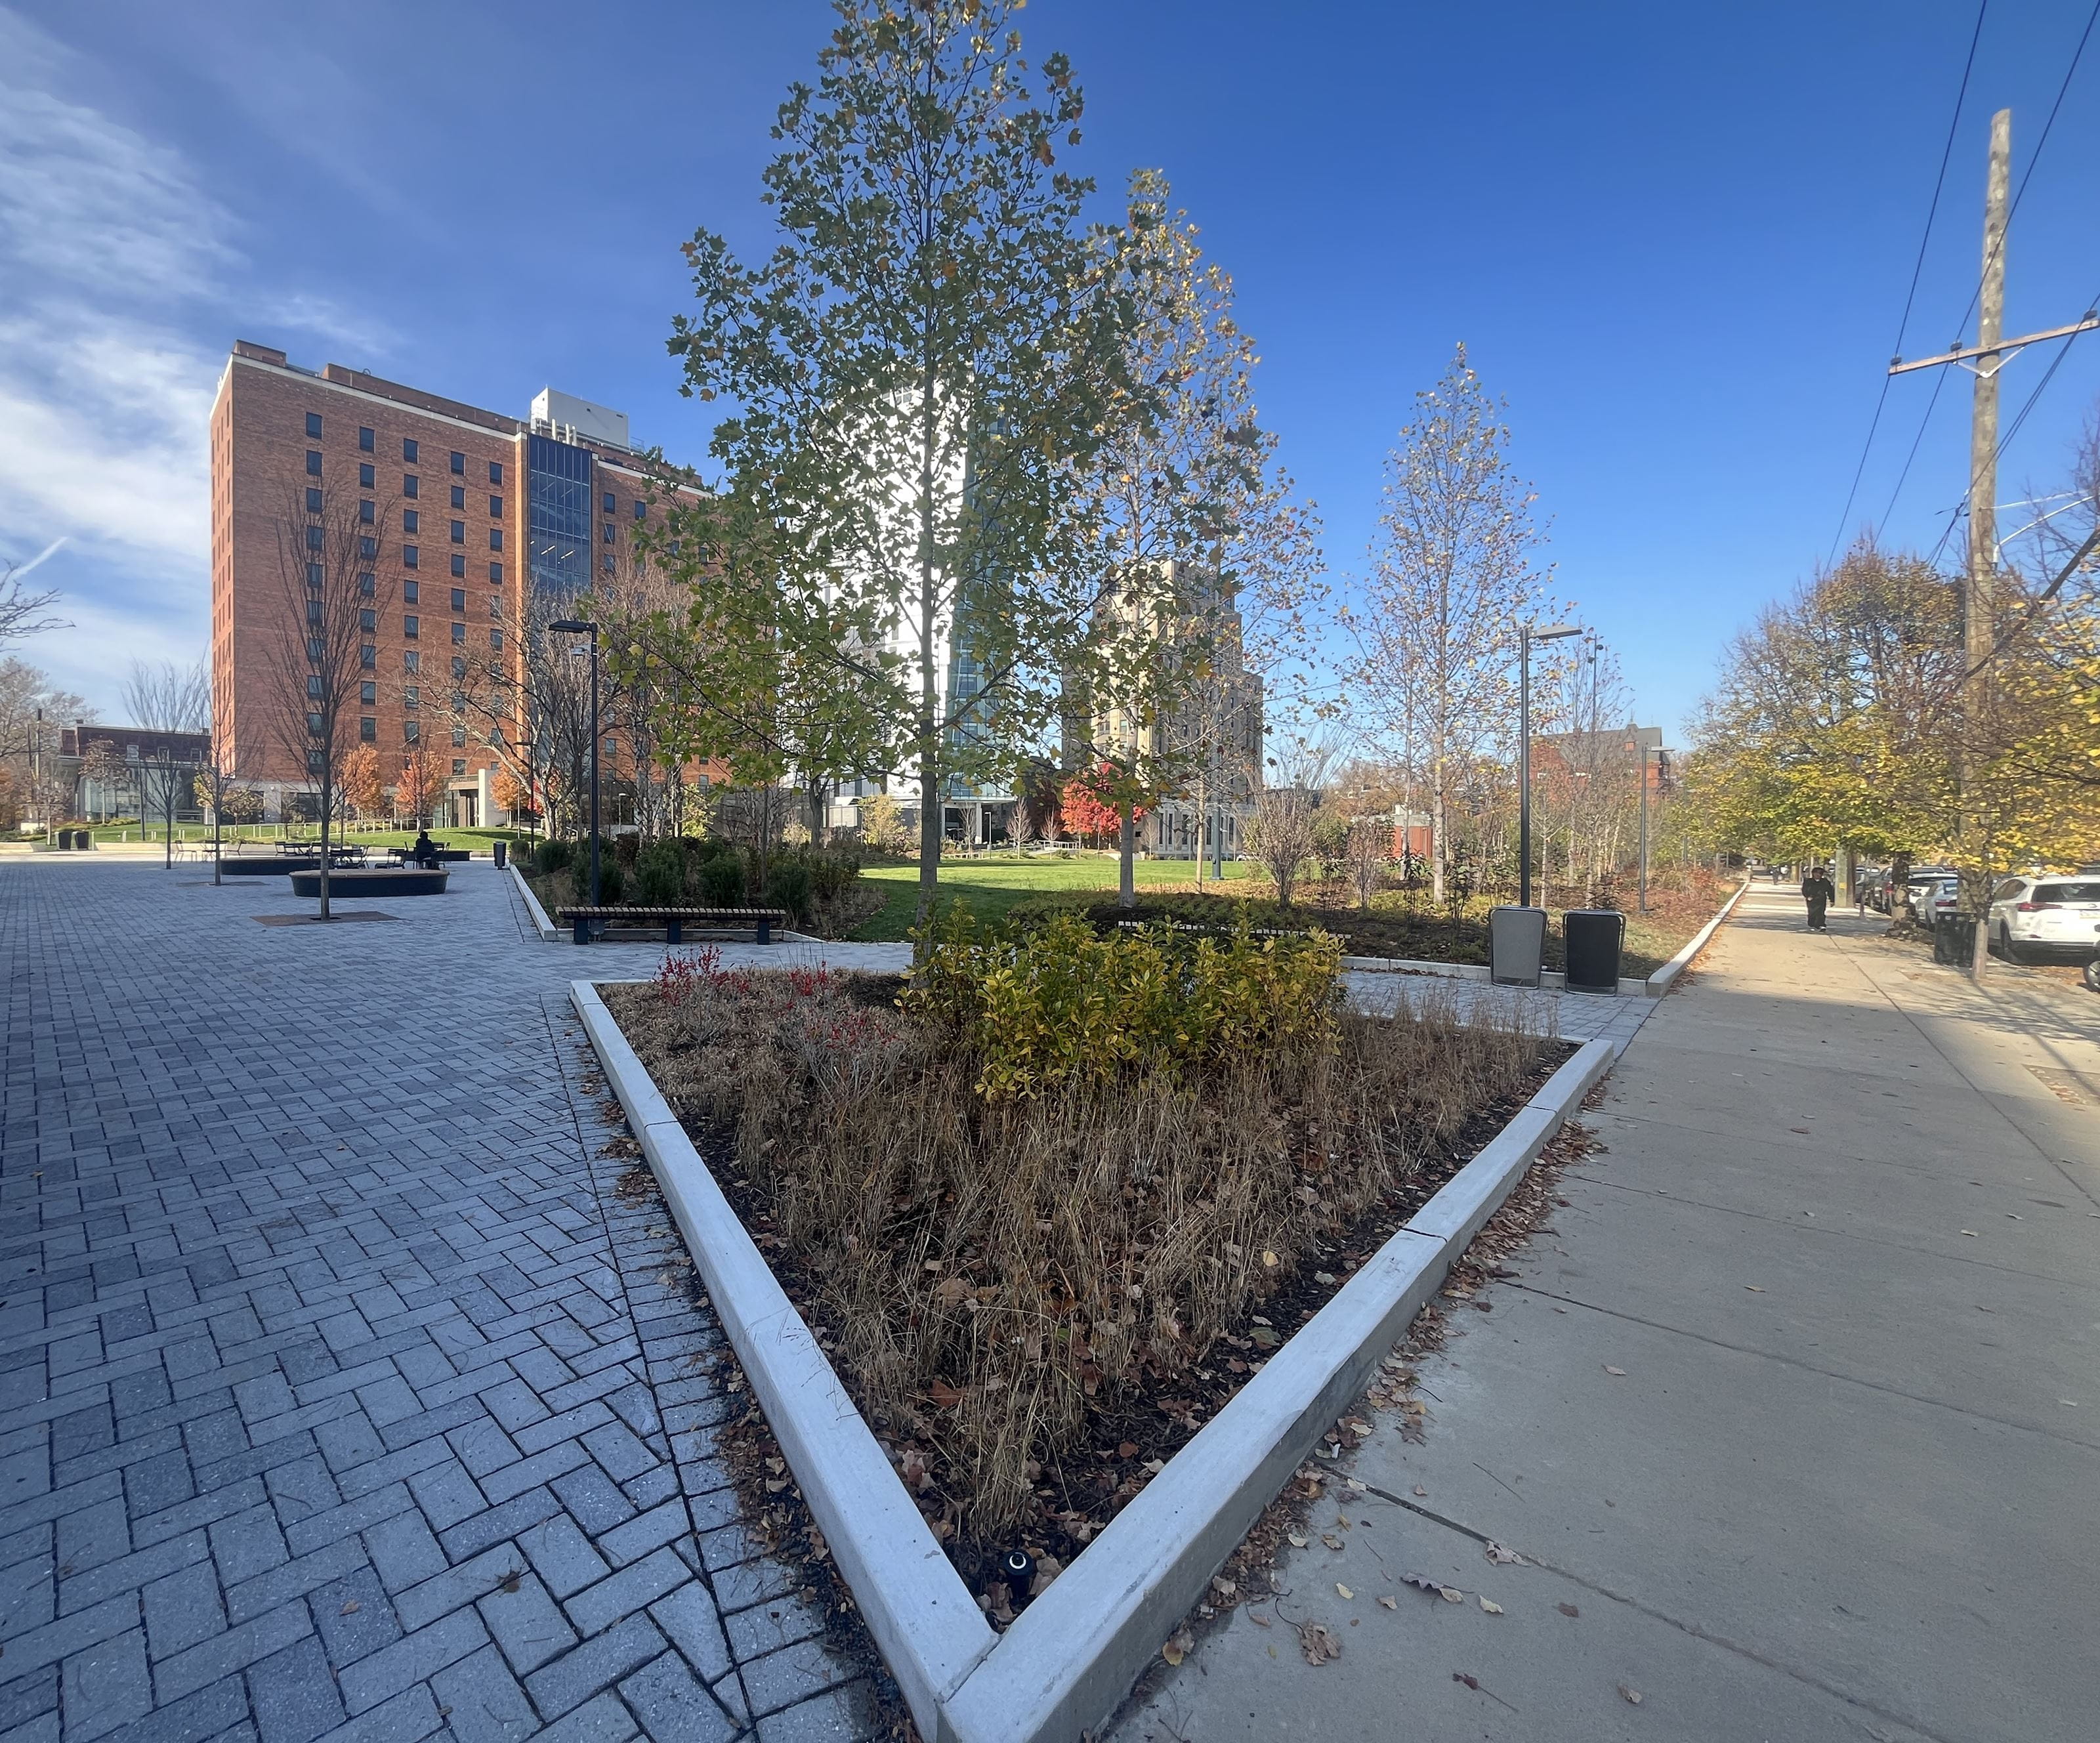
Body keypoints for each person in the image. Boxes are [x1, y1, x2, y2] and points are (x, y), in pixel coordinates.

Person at [1801, 866, 1836, 933]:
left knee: (1821, 913)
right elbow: (1804, 890)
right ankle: (1812, 924)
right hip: (1812, 900)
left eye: (1820, 873)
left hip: (1821, 899)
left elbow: (1830, 891)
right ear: (1813, 874)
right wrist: (1807, 896)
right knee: (1812, 913)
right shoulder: (1808, 881)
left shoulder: (1825, 882)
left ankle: (1821, 925)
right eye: (1816, 873)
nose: (1818, 875)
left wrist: (1832, 900)